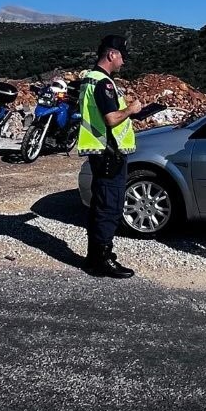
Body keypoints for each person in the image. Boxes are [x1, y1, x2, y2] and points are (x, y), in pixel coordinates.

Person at [77, 34, 142, 277]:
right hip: (109, 153)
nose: (123, 62)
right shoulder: (102, 83)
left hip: (102, 151)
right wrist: (131, 109)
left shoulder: (89, 80)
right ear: (112, 54)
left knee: (99, 205)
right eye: (122, 56)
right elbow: (111, 118)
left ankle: (94, 257)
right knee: (109, 207)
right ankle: (101, 260)